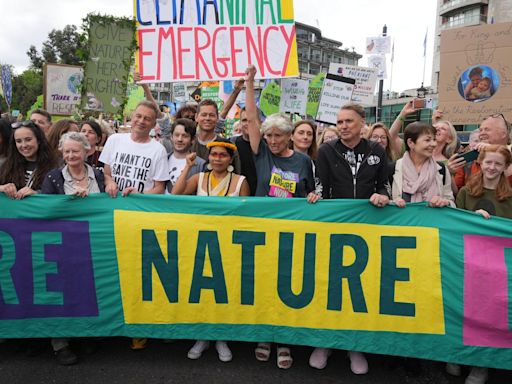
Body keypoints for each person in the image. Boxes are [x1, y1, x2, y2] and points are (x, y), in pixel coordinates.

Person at [245, 65, 318, 369]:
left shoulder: (303, 161)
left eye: (277, 136)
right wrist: (249, 83)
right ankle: (265, 335)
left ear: (290, 136)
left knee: (286, 286)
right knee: (263, 285)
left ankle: (284, 339)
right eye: (268, 136)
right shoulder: (262, 154)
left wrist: (313, 198)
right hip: (263, 232)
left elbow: (311, 193)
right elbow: (251, 118)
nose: (272, 140)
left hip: (290, 235)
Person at [314, 103, 390, 375]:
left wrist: (383, 195)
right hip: (334, 230)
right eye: (339, 121)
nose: (343, 126)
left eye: (348, 121)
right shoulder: (326, 150)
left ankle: (354, 347)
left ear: (362, 123)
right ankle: (324, 342)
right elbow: (320, 187)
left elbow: (384, 185)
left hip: (368, 230)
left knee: (359, 290)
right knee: (332, 288)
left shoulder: (377, 151)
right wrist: (316, 198)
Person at [172, 138, 249, 363]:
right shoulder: (199, 177)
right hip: (200, 243)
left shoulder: (240, 182)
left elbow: (247, 217)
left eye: (222, 155)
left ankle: (221, 338)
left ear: (230, 158)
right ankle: (202, 336)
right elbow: (176, 195)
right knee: (202, 293)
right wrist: (188, 166)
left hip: (229, 246)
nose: (217, 159)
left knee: (225, 293)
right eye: (213, 154)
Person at [448, 145, 512, 384]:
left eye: (498, 164)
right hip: (467, 264)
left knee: (490, 318)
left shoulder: (510, 197)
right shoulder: (466, 192)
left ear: (505, 168)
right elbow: (453, 226)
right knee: (461, 312)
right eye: (488, 162)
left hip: (498, 269)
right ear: (479, 164)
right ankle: (456, 354)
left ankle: (480, 365)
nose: (492, 167)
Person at [392, 121, 454, 208]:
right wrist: (392, 203)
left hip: (432, 221)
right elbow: (384, 200)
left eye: (434, 139)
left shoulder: (441, 169)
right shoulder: (393, 168)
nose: (433, 144)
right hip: (402, 221)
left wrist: (445, 202)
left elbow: (451, 201)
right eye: (428, 140)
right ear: (411, 143)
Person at [0, 121, 57, 199]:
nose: (24, 145)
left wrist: (37, 193)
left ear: (39, 140)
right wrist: (2, 188)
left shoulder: (55, 165)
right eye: (18, 141)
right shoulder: (6, 166)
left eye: (28, 139)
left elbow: (60, 194)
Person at [454, 113, 511, 189]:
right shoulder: (469, 159)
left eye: (487, 129)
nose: (482, 133)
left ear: (503, 134)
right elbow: (456, 193)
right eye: (481, 130)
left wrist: (494, 151)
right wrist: (449, 173)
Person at [167, 118, 205, 192]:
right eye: (176, 135)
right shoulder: (162, 159)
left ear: (193, 139)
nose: (179, 139)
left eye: (185, 136)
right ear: (171, 137)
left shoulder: (201, 165)